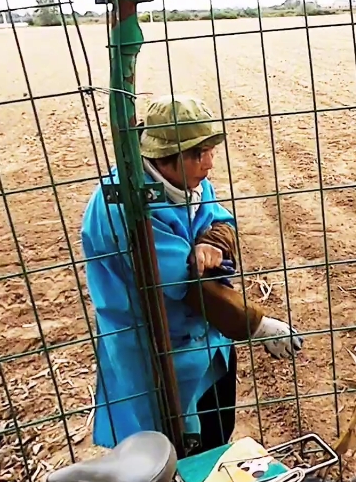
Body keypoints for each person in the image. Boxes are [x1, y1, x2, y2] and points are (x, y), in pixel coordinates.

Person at [80, 94, 304, 454]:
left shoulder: (190, 185)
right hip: (159, 355)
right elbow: (187, 286)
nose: (210, 163)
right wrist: (256, 324)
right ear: (163, 156)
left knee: (216, 433)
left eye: (211, 150)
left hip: (207, 344)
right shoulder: (124, 209)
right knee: (172, 451)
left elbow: (219, 219)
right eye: (199, 154)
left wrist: (211, 239)